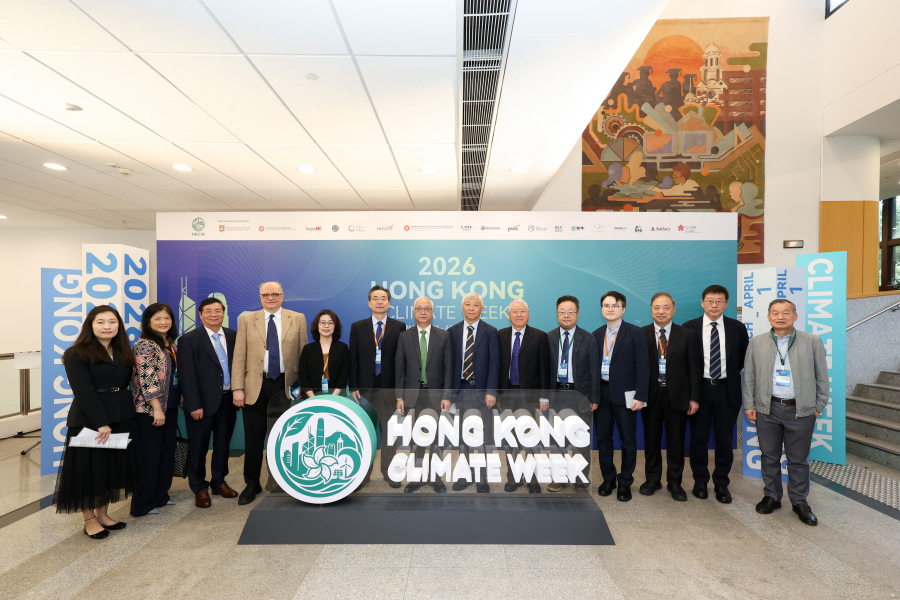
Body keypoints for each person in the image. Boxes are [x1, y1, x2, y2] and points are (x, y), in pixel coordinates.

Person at [53, 305, 137, 539]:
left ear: (119, 325)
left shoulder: (122, 351)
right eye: (101, 322)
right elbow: (83, 391)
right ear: (90, 325)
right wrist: (101, 422)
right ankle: (89, 520)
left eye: (112, 322)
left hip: (120, 415)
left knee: (109, 469)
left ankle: (103, 514)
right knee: (88, 471)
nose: (107, 326)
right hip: (91, 419)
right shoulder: (76, 353)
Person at [743, 299, 829, 526]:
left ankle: (799, 501)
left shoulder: (812, 341)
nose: (780, 317)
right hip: (767, 408)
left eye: (785, 313)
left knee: (798, 459)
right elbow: (749, 376)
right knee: (769, 455)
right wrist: (750, 404)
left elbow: (822, 376)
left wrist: (818, 406)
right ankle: (772, 496)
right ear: (769, 317)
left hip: (800, 410)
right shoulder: (757, 342)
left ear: (795, 316)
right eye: (775, 313)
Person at [232, 281, 308, 505]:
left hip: (284, 386)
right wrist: (237, 388)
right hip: (254, 386)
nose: (271, 297)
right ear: (260, 297)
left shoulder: (298, 318)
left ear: (282, 296)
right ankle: (252, 484)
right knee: (253, 439)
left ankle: (278, 481)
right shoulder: (247, 320)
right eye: (266, 294)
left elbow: (304, 355)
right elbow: (239, 355)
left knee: (281, 437)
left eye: (275, 294)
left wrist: (303, 386)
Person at [683, 285, 749, 503]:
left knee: (724, 439)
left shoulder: (737, 328)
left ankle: (721, 483)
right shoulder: (689, 327)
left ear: (726, 304)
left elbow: (742, 359)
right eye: (710, 301)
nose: (714, 305)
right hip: (699, 390)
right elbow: (685, 362)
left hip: (726, 390)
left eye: (719, 301)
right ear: (702, 303)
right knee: (698, 439)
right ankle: (700, 481)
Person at [178, 297, 239, 508]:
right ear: (201, 314)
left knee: (222, 444)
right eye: (209, 311)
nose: (214, 314)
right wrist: (194, 404)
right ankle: (199, 487)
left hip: (227, 400)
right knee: (198, 447)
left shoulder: (233, 336)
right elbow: (186, 375)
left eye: (218, 310)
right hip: (200, 404)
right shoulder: (188, 339)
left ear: (224, 313)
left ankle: (219, 482)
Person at [640, 292, 701, 501]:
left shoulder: (687, 334)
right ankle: (652, 480)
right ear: (651, 310)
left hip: (678, 395)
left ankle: (675, 483)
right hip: (651, 395)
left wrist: (694, 398)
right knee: (651, 440)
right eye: (656, 307)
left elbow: (694, 369)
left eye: (666, 307)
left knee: (676, 441)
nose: (661, 311)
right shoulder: (642, 334)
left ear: (673, 310)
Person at [591, 291, 649, 502]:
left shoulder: (635, 333)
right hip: (602, 394)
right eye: (606, 305)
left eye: (615, 305)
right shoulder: (596, 334)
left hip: (627, 395)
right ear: (601, 309)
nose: (610, 309)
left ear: (623, 309)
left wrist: (640, 396)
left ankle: (625, 481)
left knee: (628, 440)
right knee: (603, 439)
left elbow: (643, 367)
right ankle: (608, 478)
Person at [348, 285, 405, 488]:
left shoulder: (399, 326)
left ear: (389, 303)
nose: (379, 301)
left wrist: (400, 391)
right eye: (375, 298)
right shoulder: (358, 326)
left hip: (389, 388)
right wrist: (353, 386)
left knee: (390, 433)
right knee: (365, 433)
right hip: (365, 389)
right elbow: (353, 358)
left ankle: (389, 472)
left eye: (383, 298)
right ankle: (363, 474)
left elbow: (402, 360)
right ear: (369, 303)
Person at [394, 296, 453, 493]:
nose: (423, 312)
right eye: (419, 308)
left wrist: (447, 395)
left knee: (436, 439)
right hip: (412, 396)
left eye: (427, 309)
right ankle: (416, 478)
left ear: (432, 312)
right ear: (414, 312)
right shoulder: (404, 336)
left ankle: (436, 478)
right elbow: (399, 369)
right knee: (415, 439)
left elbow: (448, 369)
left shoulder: (443, 336)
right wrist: (399, 397)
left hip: (436, 396)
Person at [130, 303, 180, 516]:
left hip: (170, 405)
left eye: (167, 318)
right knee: (149, 457)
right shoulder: (145, 345)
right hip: (150, 410)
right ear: (148, 322)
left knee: (165, 453)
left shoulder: (169, 343)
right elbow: (147, 379)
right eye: (157, 318)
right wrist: (157, 408)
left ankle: (161, 495)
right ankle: (144, 503)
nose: (163, 322)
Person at [546, 295, 599, 492]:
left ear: (577, 314)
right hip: (556, 395)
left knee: (581, 440)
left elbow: (594, 370)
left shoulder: (588, 338)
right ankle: (559, 478)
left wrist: (594, 397)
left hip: (580, 395)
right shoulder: (549, 338)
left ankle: (580, 478)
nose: (566, 315)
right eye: (562, 312)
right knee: (557, 441)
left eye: (570, 312)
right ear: (557, 314)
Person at [498, 299, 551, 493]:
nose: (518, 315)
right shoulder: (500, 335)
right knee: (510, 439)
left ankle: (532, 479)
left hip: (531, 395)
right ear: (509, 315)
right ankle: (513, 478)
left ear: (528, 314)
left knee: (531, 439)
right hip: (507, 394)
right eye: (515, 311)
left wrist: (544, 397)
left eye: (522, 311)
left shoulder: (540, 336)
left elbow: (545, 369)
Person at [448, 293, 500, 492]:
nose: (471, 308)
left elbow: (494, 364)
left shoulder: (491, 331)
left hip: (482, 392)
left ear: (482, 309)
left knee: (484, 435)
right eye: (468, 304)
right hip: (460, 390)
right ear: (462, 308)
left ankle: (482, 477)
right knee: (464, 436)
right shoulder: (452, 331)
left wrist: (491, 391)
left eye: (475, 305)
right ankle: (465, 474)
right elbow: (449, 365)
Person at [298, 310, 350, 398]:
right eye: (323, 323)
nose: (326, 326)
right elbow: (303, 376)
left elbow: (344, 376)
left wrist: (333, 398)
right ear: (317, 325)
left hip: (337, 397)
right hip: (312, 397)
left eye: (330, 323)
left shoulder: (343, 348)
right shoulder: (308, 349)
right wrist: (313, 398)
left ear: (335, 326)